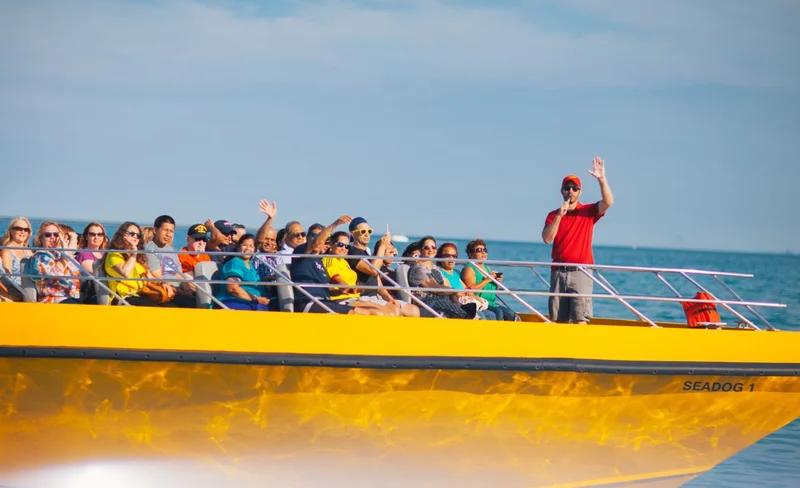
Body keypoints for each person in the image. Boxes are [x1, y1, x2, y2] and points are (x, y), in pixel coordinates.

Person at [541, 156, 614, 324]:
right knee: (558, 318)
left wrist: (602, 179)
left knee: (580, 318)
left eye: (575, 188)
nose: (571, 191)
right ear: (562, 191)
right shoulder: (554, 214)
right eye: (567, 188)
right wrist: (560, 215)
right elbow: (547, 238)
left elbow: (608, 202)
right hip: (558, 271)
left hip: (581, 271)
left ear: (579, 192)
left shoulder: (587, 211)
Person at [347, 217, 419, 317]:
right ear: (353, 234)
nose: (367, 234)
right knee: (394, 312)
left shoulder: (366, 254)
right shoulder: (352, 252)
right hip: (365, 297)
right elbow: (373, 270)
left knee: (413, 310)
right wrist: (382, 246)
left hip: (377, 296)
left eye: (369, 231)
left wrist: (389, 298)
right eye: (362, 231)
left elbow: (378, 283)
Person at [104, 222, 174, 307]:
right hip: (123, 297)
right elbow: (125, 272)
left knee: (171, 306)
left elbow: (150, 278)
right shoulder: (114, 254)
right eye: (132, 234)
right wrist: (134, 253)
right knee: (155, 309)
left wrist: (163, 283)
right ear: (122, 235)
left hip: (141, 294)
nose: (135, 237)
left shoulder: (138, 258)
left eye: (138, 235)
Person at [461, 239, 518, 321]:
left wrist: (497, 282)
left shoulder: (486, 268)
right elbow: (471, 291)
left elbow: (491, 289)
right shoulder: (469, 269)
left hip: (491, 303)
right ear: (471, 254)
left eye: (485, 250)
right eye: (479, 250)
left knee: (511, 314)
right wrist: (487, 279)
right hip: (480, 303)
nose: (483, 252)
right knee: (498, 313)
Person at [145, 215, 194, 307]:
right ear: (155, 230)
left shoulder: (170, 250)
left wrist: (189, 291)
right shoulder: (150, 249)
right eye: (165, 230)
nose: (168, 234)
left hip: (178, 291)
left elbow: (179, 275)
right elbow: (159, 279)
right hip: (165, 292)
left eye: (171, 231)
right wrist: (184, 294)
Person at [29, 221, 81, 304]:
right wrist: (65, 254)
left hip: (72, 297)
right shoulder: (40, 256)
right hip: (53, 300)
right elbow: (55, 275)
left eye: (56, 234)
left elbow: (77, 272)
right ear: (40, 238)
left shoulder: (60, 254)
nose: (52, 237)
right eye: (48, 235)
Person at [216, 234, 270, 311]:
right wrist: (256, 299)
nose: (247, 248)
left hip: (253, 302)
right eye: (245, 245)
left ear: (254, 249)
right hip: (234, 301)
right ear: (238, 247)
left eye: (251, 246)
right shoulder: (235, 262)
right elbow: (233, 289)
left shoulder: (250, 264)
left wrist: (269, 278)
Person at [76, 222, 109, 304]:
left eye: (100, 234)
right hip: (94, 294)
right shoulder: (84, 254)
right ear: (86, 236)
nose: (96, 237)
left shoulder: (104, 253)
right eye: (92, 234)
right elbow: (94, 273)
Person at [0, 217, 34, 296]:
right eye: (19, 228)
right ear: (11, 231)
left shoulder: (28, 251)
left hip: (32, 287)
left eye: (26, 229)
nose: (23, 232)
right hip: (18, 290)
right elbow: (7, 280)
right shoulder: (7, 251)